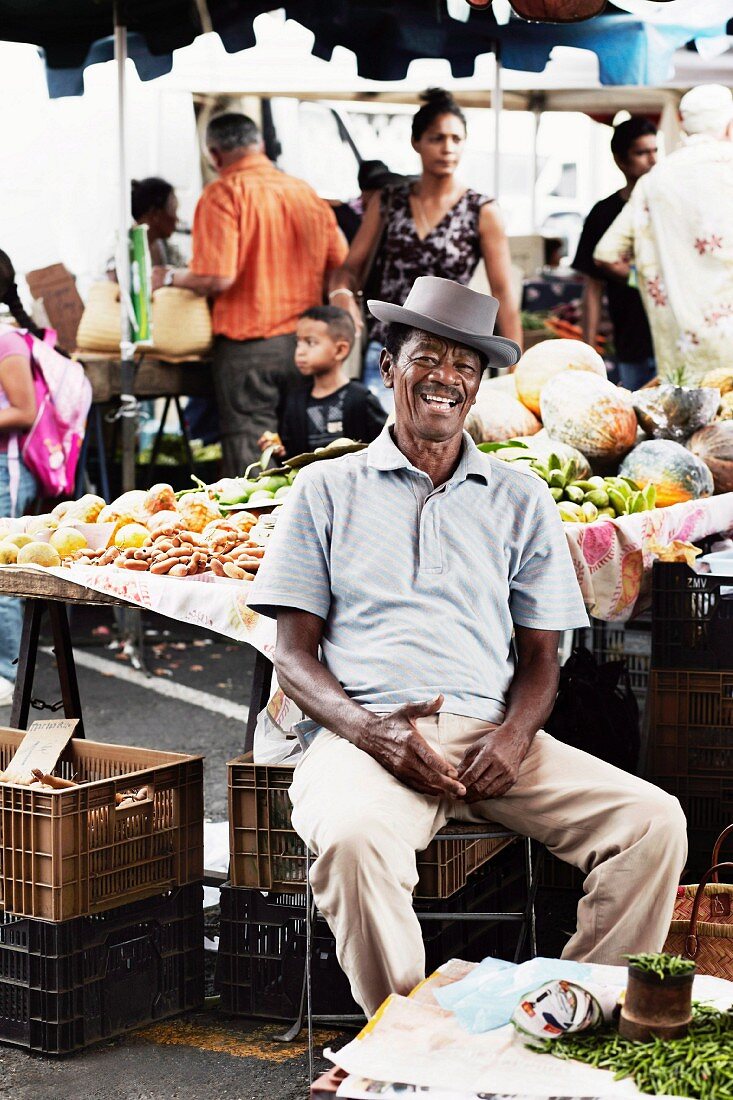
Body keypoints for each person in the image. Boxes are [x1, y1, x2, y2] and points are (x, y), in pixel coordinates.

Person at [248, 275, 688, 1018]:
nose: (446, 378)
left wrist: (517, 736)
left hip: (491, 738)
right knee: (353, 840)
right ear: (388, 367)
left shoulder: (520, 499)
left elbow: (544, 658)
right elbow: (290, 655)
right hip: (366, 736)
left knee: (652, 824)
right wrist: (371, 731)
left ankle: (564, 1011)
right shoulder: (324, 489)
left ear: (479, 386)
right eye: (428, 356)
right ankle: (411, 1035)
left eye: (466, 366)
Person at [151, 113, 348, 475]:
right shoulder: (305, 192)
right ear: (259, 145)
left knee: (252, 455)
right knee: (306, 446)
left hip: (248, 350)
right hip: (307, 344)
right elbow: (340, 262)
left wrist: (167, 277)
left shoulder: (223, 193)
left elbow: (217, 276)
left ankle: (257, 529)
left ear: (214, 153)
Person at [328, 89, 522, 410]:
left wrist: (515, 368)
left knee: (438, 450)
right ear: (416, 142)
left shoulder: (481, 209)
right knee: (379, 442)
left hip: (452, 356)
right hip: (391, 347)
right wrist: (342, 297)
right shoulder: (389, 201)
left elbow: (503, 293)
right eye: (436, 138)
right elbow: (349, 269)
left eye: (456, 139)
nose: (448, 148)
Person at [594, 85, 733, 384]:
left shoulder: (656, 179)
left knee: (693, 428)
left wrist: (646, 279)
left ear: (682, 123)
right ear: (729, 123)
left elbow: (605, 255)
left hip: (684, 356)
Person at [572, 117, 657, 391]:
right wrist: (588, 352)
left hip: (674, 335)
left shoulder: (669, 206)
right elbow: (592, 289)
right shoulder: (603, 213)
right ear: (620, 160)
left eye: (656, 151)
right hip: (631, 339)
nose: (652, 160)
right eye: (642, 153)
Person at [259, 305, 386, 460]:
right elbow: (291, 458)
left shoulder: (360, 399)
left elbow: (385, 447)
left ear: (340, 350)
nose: (300, 351)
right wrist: (278, 452)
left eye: (310, 342)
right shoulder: (295, 402)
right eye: (298, 342)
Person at [0, 252, 38, 706]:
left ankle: (9, 678)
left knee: (4, 572)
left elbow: (24, 411)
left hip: (6, 471)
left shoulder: (7, 342)